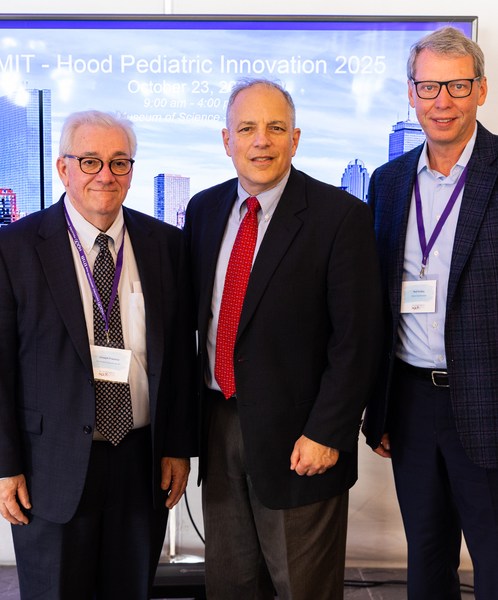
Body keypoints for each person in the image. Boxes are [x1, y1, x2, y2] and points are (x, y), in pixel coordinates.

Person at [363, 26, 498, 600]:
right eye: (429, 86)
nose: (442, 101)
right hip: (410, 406)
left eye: (457, 86)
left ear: (481, 90)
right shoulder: (387, 184)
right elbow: (378, 302)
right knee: (426, 566)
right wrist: (378, 403)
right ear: (410, 93)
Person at [0, 110, 196, 600]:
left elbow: (178, 357)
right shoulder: (13, 248)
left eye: (119, 162)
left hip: (141, 460)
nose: (105, 176)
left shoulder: (166, 246)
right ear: (63, 168)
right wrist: (3, 467)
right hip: (49, 465)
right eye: (90, 161)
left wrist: (177, 444)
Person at [182, 79, 383, 600]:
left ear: (296, 139)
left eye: (275, 128)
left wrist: (327, 432)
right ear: (226, 140)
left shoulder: (340, 217)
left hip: (302, 438)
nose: (261, 141)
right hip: (219, 422)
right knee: (230, 583)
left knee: (302, 588)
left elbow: (358, 341)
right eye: (247, 128)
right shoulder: (204, 211)